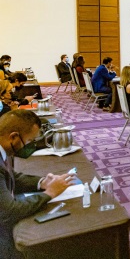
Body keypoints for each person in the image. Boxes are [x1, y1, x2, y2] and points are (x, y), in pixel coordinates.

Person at [0, 110, 75, 258]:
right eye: (28, 141)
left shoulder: (3, 149)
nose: (29, 145)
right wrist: (50, 193)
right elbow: (9, 211)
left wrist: (42, 183)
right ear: (13, 137)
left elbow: (12, 177)